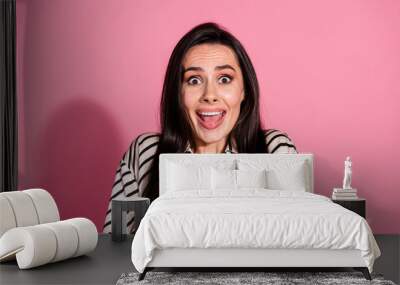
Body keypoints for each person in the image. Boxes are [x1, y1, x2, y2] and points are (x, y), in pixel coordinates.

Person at [103, 22, 298, 234]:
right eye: (194, 80)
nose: (209, 95)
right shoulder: (145, 153)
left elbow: (300, 240)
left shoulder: (275, 149)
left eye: (224, 79)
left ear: (244, 91)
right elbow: (116, 248)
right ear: (178, 93)